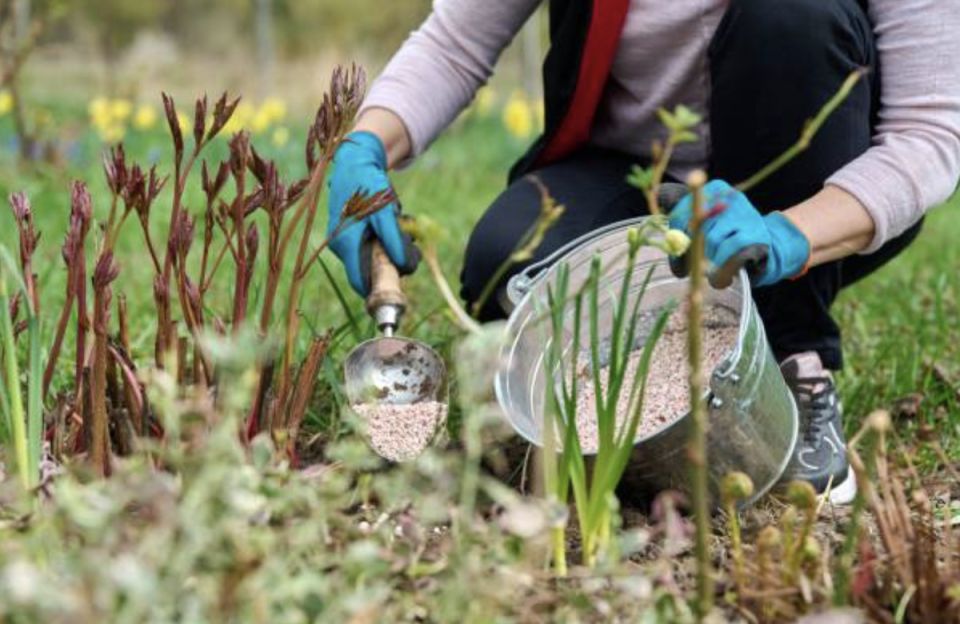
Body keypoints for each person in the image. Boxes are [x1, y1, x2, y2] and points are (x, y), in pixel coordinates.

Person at [326, 0, 960, 503]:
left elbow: (930, 135)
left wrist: (789, 233)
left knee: (790, 13)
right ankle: (651, 364)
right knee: (507, 267)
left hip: (804, 193)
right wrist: (366, 144)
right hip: (631, 176)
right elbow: (453, 44)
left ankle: (796, 361)